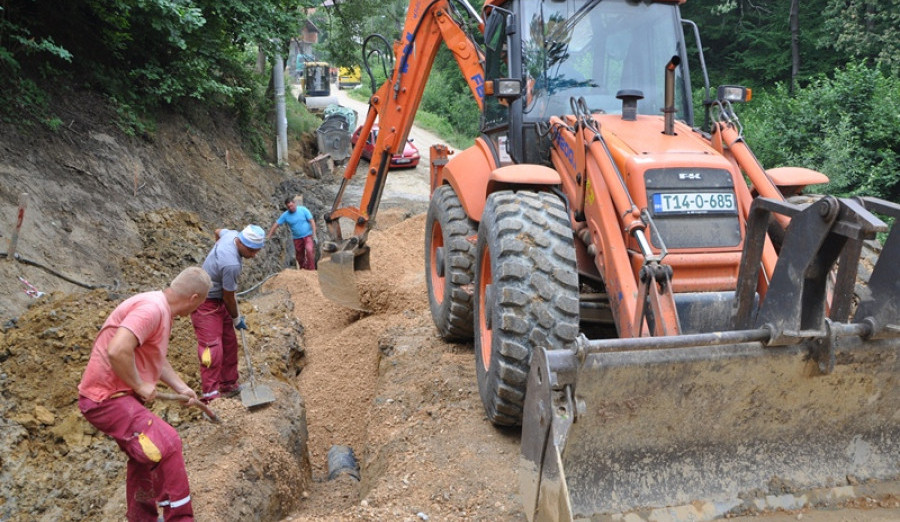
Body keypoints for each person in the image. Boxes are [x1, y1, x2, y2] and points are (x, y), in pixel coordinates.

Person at [77, 266, 212, 522]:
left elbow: (155, 358)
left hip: (118, 396)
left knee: (144, 455)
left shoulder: (160, 309)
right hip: (105, 398)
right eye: (199, 304)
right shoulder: (151, 309)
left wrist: (181, 387)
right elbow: (117, 351)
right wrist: (139, 385)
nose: (196, 310)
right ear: (194, 298)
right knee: (168, 444)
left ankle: (142, 518)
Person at [192, 224, 265, 403]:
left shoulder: (231, 235)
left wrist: (215, 255)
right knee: (212, 349)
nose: (254, 255)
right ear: (241, 243)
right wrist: (236, 318)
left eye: (257, 251)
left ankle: (228, 385)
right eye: (251, 250)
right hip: (205, 302)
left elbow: (217, 231)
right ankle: (210, 396)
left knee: (230, 343)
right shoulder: (231, 263)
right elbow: (229, 297)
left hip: (219, 300)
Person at [267, 196, 317, 270]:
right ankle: (303, 269)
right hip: (297, 238)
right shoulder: (285, 215)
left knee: (309, 250)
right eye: (289, 207)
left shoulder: (303, 210)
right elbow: (276, 224)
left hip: (308, 235)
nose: (291, 208)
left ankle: (312, 269)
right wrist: (269, 235)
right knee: (299, 257)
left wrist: (314, 234)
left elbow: (312, 221)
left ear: (294, 203)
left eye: (291, 206)